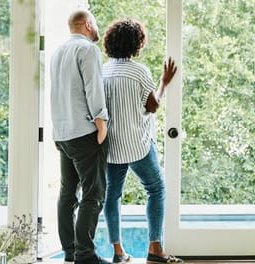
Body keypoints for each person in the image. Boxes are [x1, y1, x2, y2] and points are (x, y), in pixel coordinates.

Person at [102, 18, 182, 264]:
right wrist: (164, 83)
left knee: (111, 196)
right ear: (137, 43)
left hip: (111, 145)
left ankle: (118, 252)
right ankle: (155, 249)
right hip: (137, 144)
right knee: (156, 189)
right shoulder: (139, 71)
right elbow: (153, 106)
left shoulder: (103, 70)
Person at [50, 9, 111, 264]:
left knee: (67, 195)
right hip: (84, 133)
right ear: (87, 24)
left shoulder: (58, 52)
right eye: (95, 25)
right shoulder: (87, 50)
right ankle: (85, 256)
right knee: (93, 194)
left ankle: (71, 252)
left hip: (62, 134)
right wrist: (102, 122)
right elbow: (93, 87)